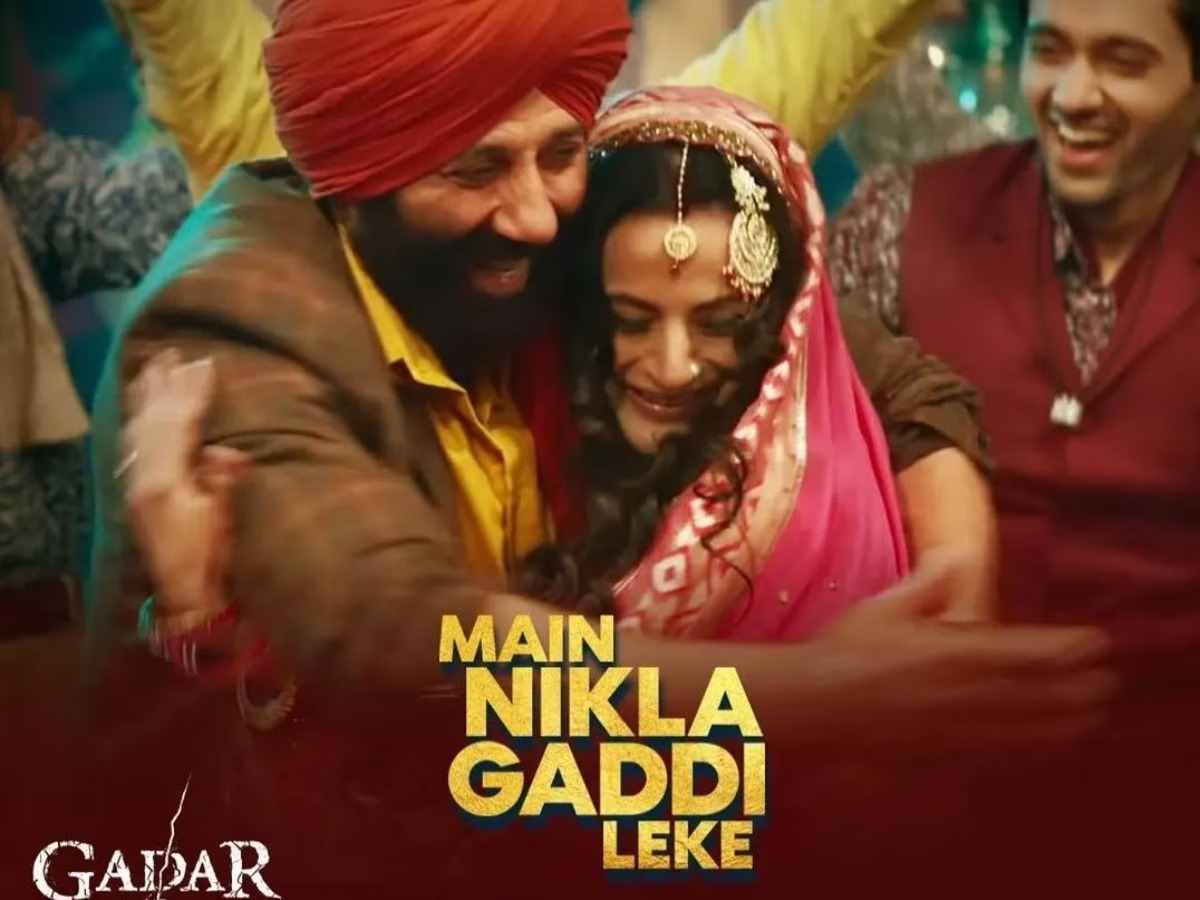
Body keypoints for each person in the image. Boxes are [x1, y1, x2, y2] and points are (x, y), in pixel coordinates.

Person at [88, 0, 1111, 891]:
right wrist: (841, 695)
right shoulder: (238, 317)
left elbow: (848, 357)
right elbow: (401, 638)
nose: (538, 218)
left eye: (560, 153)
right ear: (359, 176)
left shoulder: (537, 225)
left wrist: (950, 582)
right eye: (477, 168)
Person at [829, 0, 1200, 890]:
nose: (1073, 94)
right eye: (1050, 51)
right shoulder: (897, 216)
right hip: (911, 811)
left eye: (1123, 61)